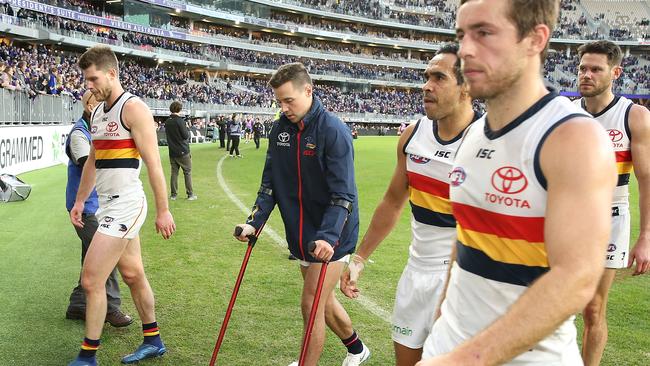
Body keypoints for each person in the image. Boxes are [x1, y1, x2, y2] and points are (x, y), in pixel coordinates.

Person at [417, 1, 616, 365]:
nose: (466, 50)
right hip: (448, 345)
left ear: (535, 39)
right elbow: (464, 238)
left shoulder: (573, 138)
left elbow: (577, 278)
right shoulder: (475, 132)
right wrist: (441, 324)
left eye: (484, 33)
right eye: (462, 35)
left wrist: (464, 359)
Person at [340, 43, 479, 366]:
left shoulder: (488, 142)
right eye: (426, 76)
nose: (426, 86)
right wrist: (360, 258)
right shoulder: (414, 135)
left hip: (463, 278)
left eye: (439, 78)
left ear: (467, 86)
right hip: (416, 273)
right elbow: (392, 201)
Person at [234, 62, 370, 366]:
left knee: (311, 303)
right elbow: (270, 184)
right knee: (324, 300)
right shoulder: (279, 128)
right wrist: (253, 222)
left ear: (308, 91)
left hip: (333, 234)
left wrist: (328, 237)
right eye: (279, 102)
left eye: (289, 100)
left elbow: (343, 194)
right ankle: (357, 348)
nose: (283, 108)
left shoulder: (333, 130)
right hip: (301, 232)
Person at [68, 46, 176, 366]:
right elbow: (93, 163)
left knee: (91, 280)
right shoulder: (98, 112)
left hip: (127, 205)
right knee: (132, 273)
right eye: (86, 80)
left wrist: (163, 209)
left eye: (93, 78)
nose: (89, 85)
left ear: (112, 73)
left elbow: (155, 164)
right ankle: (153, 339)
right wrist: (79, 201)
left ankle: (88, 356)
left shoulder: (134, 109)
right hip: (107, 206)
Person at [574, 40, 650, 366]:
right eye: (582, 69)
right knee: (551, 302)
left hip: (611, 214)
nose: (586, 75)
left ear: (615, 72)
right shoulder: (565, 114)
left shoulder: (635, 116)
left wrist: (646, 237)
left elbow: (646, 179)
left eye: (596, 69)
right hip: (568, 216)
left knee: (593, 308)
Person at [65, 90, 133, 329]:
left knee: (91, 256)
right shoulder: (79, 135)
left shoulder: (93, 129)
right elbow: (91, 166)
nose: (106, 106)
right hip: (88, 208)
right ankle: (111, 308)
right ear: (90, 105)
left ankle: (77, 304)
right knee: (107, 257)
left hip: (98, 206)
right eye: (101, 102)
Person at [164, 101, 197, 201]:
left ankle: (173, 194)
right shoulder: (180, 121)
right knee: (187, 172)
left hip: (172, 151)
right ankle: (190, 194)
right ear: (179, 109)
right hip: (182, 150)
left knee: (174, 173)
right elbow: (185, 136)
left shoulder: (167, 121)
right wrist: (186, 127)